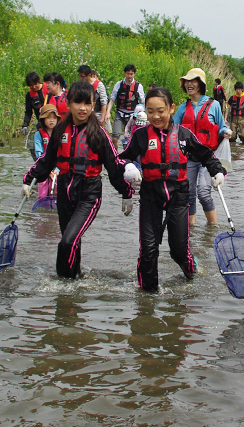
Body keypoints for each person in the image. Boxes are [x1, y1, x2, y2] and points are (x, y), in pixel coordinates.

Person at [119, 87, 227, 293]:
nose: (156, 116)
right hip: (150, 195)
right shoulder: (140, 136)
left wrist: (217, 171)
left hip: (178, 195)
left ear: (171, 108)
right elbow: (123, 157)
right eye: (150, 112)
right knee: (149, 251)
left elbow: (206, 155)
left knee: (178, 251)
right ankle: (147, 296)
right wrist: (128, 167)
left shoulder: (184, 135)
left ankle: (192, 271)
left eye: (160, 110)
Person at [23, 81, 133, 279]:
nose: (82, 108)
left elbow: (114, 165)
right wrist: (28, 178)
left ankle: (62, 283)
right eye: (77, 103)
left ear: (93, 105)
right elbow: (46, 160)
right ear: (68, 103)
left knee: (67, 241)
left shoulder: (98, 133)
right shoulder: (59, 131)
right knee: (72, 241)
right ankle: (74, 280)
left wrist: (126, 192)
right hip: (65, 191)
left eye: (87, 104)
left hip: (89, 195)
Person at [173, 68, 231, 226]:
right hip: (189, 157)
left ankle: (212, 227)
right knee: (189, 194)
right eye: (187, 81)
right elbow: (171, 128)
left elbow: (220, 126)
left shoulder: (214, 105)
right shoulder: (182, 108)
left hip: (207, 156)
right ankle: (190, 229)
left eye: (193, 81)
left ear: (201, 84)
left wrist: (226, 131)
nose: (189, 84)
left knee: (204, 193)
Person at [109, 64, 145, 144]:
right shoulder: (119, 84)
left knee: (132, 138)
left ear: (134, 74)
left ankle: (130, 155)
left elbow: (143, 101)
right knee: (115, 137)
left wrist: (146, 115)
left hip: (133, 115)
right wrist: (108, 112)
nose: (129, 76)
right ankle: (115, 155)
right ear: (125, 73)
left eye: (131, 74)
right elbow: (112, 99)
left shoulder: (138, 86)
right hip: (120, 113)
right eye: (128, 73)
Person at [33, 104, 61, 200]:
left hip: (58, 168)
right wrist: (47, 170)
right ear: (43, 120)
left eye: (54, 118)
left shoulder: (61, 134)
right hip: (44, 166)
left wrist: (56, 170)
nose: (52, 120)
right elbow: (39, 153)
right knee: (42, 193)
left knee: (58, 190)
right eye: (48, 118)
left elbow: (63, 153)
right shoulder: (38, 135)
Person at [21, 71, 50, 159]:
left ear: (39, 81)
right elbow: (28, 112)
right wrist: (25, 124)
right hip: (41, 124)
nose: (34, 87)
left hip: (53, 121)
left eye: (35, 84)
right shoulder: (29, 95)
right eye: (31, 85)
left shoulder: (48, 88)